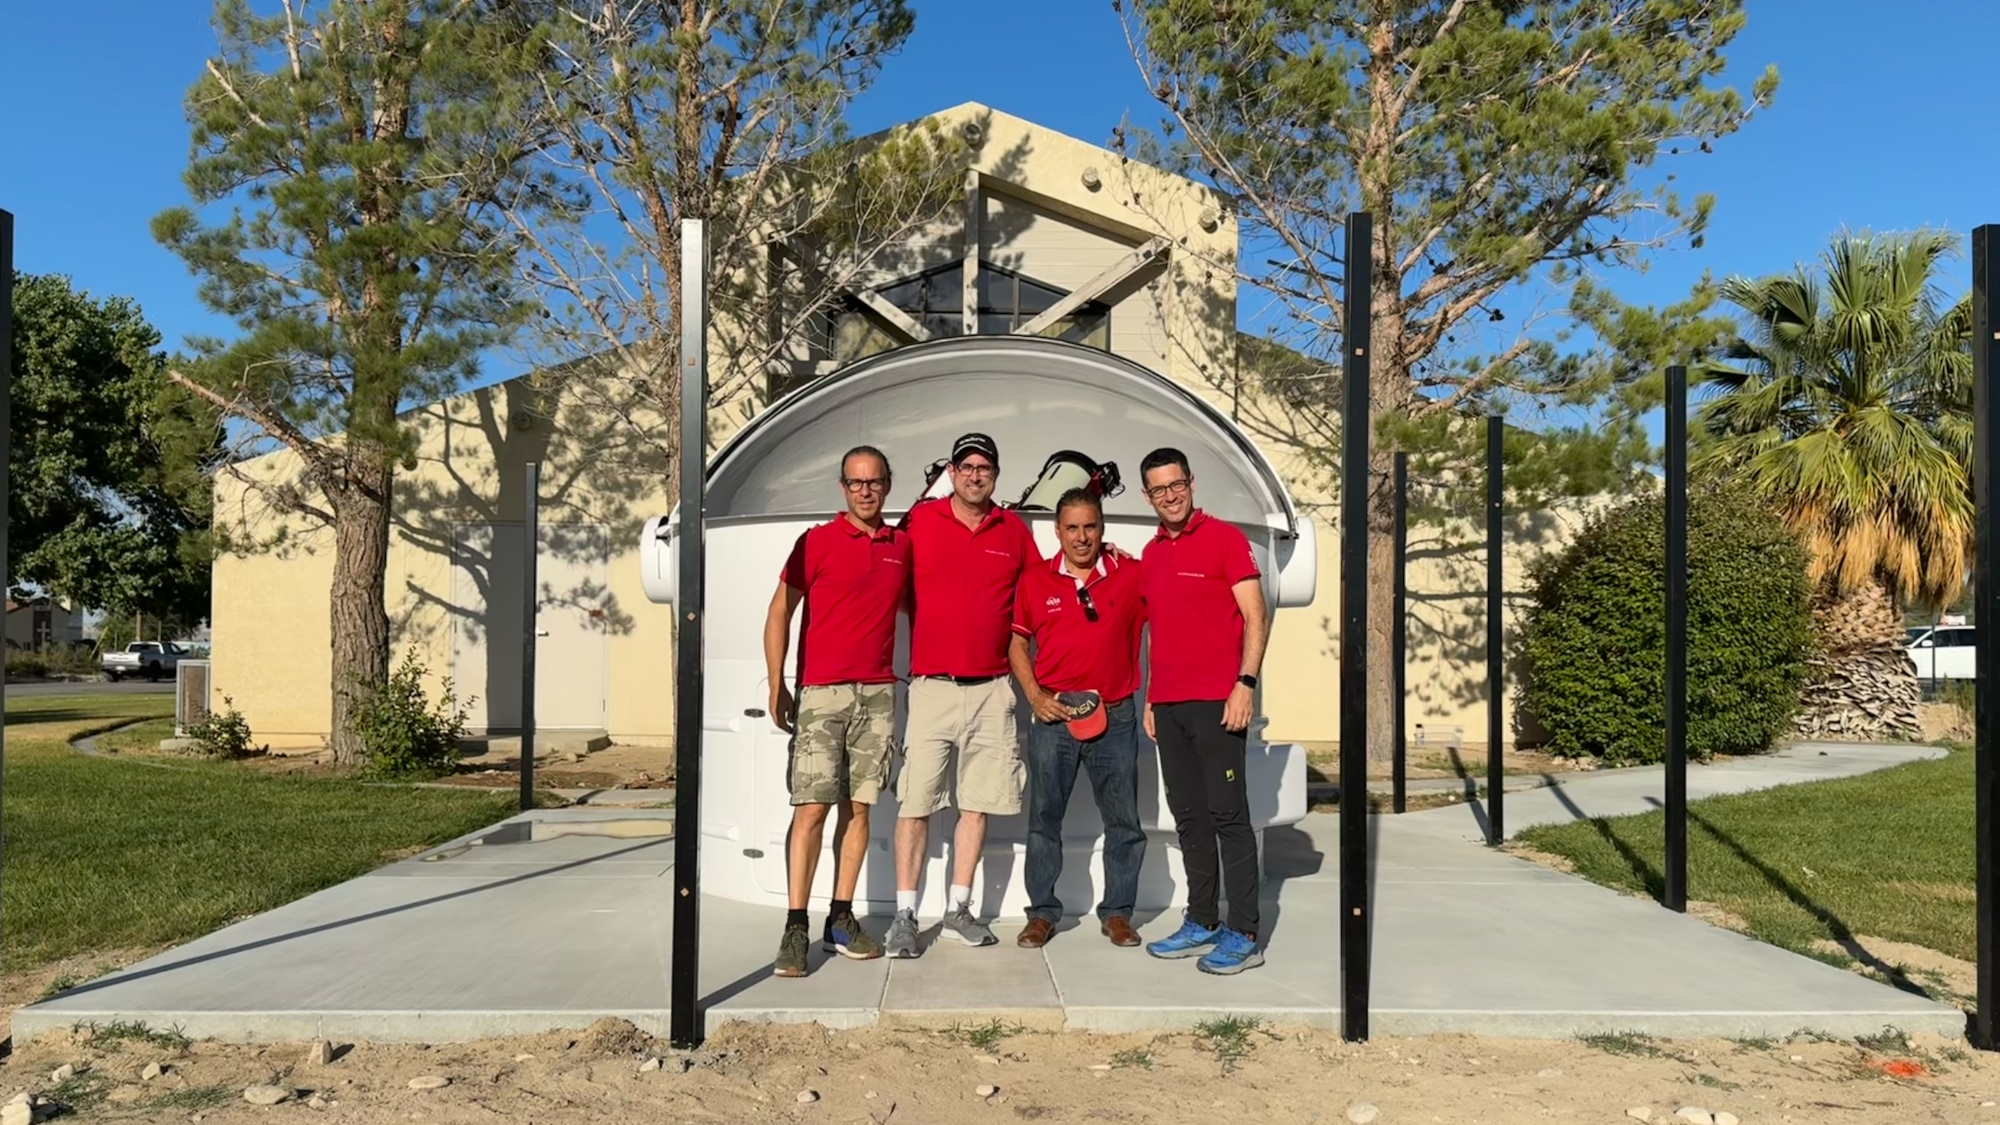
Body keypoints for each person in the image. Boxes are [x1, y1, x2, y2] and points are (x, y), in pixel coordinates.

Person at [885, 432, 1040, 958]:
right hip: (932, 687)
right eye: (967, 467)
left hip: (994, 689)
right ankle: (905, 914)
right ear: (951, 472)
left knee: (978, 805)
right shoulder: (920, 522)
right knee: (916, 803)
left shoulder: (1013, 531)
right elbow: (889, 582)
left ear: (995, 475)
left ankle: (958, 908)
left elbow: (1039, 595)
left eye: (986, 469)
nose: (976, 476)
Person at [761, 445, 909, 977]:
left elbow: (928, 605)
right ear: (842, 487)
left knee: (860, 809)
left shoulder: (902, 546)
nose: (865, 491)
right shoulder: (816, 542)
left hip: (877, 695)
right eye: (855, 482)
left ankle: (841, 918)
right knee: (811, 810)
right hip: (821, 695)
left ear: (888, 485)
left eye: (874, 482)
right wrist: (777, 682)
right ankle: (795, 926)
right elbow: (780, 610)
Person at [1136, 447, 1271, 975]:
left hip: (1219, 703)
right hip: (1169, 706)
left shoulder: (1226, 540)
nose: (1169, 496)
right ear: (1147, 495)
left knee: (1228, 817)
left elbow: (1256, 618)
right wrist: (1151, 697)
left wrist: (1245, 684)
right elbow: (1156, 634)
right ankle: (1201, 920)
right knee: (1189, 818)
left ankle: (1243, 931)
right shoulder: (1151, 554)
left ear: (1191, 483)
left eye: (1176, 485)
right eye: (1158, 489)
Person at [1007, 487, 1148, 949]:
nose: (1082, 537)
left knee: (1124, 821)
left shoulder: (1131, 574)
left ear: (1102, 528)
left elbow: (1167, 627)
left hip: (1117, 715)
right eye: (1072, 528)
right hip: (1055, 717)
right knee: (1045, 819)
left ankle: (1118, 914)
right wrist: (1034, 695)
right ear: (1058, 531)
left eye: (1090, 526)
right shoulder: (1034, 580)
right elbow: (1017, 644)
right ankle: (1042, 913)